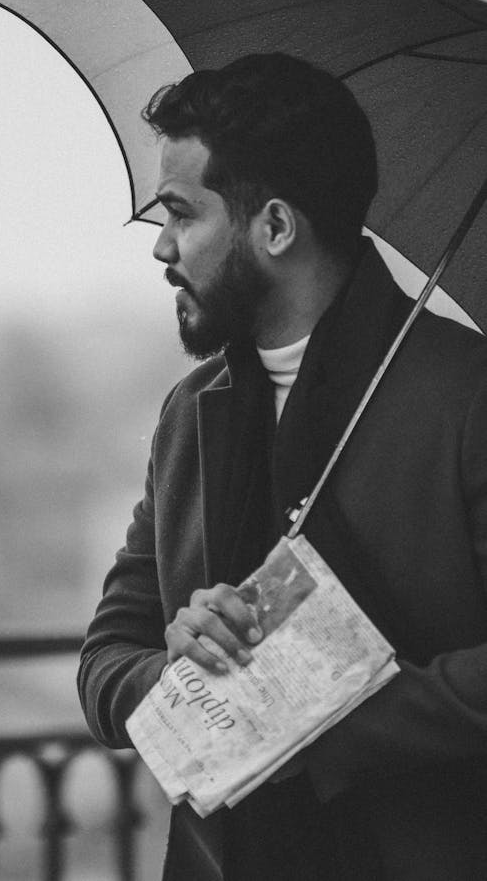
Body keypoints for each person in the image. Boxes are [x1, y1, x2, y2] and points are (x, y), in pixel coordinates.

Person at [77, 53, 487, 880]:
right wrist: (180, 664)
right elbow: (105, 663)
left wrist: (314, 720)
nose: (160, 246)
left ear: (273, 227)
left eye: (182, 214)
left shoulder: (466, 396)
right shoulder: (189, 414)